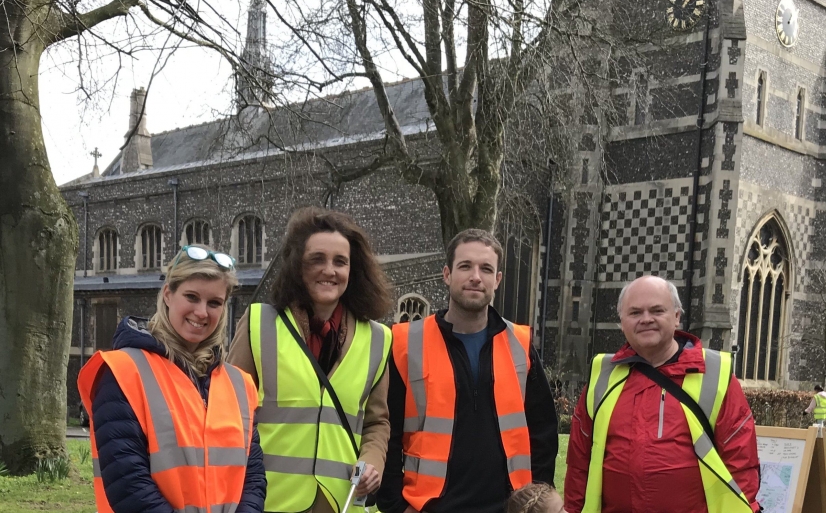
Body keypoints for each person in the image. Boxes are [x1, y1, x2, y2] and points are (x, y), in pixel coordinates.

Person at [378, 229, 560, 513]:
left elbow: (544, 433)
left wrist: (534, 502)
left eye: (486, 269)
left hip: (508, 507)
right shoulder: (406, 343)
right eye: (465, 266)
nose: (476, 276)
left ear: (497, 280)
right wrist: (395, 505)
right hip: (431, 507)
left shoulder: (520, 344)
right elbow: (385, 431)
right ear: (447, 274)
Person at [228, 206, 394, 513]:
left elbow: (376, 422)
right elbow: (229, 414)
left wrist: (372, 463)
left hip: (342, 503)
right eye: (317, 259)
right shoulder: (258, 324)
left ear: (352, 270)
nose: (329, 270)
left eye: (340, 262)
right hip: (269, 502)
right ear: (297, 265)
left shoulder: (379, 339)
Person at [78, 244, 265, 513]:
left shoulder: (239, 383)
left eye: (214, 303)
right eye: (191, 297)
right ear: (168, 294)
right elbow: (127, 482)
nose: (202, 312)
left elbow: (253, 476)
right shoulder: (122, 371)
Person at [564, 275, 761, 513]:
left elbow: (741, 463)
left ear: (677, 316)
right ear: (621, 321)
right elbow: (579, 464)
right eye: (635, 313)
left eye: (657, 310)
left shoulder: (714, 374)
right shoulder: (602, 376)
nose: (646, 319)